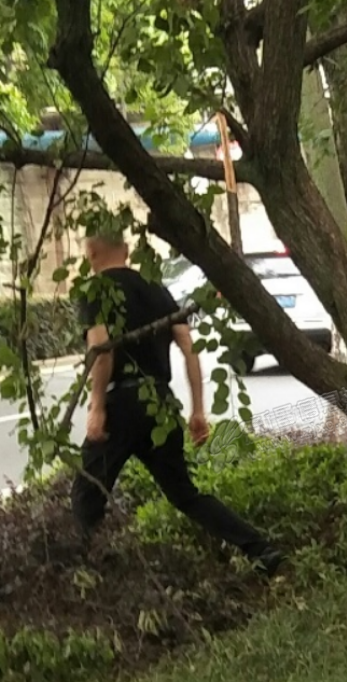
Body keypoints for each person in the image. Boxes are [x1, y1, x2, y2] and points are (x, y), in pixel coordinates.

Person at [71, 228, 283, 576]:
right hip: (161, 403)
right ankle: (261, 549)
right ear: (126, 250)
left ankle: (84, 576)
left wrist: (97, 407)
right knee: (184, 494)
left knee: (86, 494)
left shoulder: (95, 291)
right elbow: (189, 347)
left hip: (121, 405)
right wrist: (198, 410)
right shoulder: (157, 288)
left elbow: (102, 350)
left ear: (91, 253)